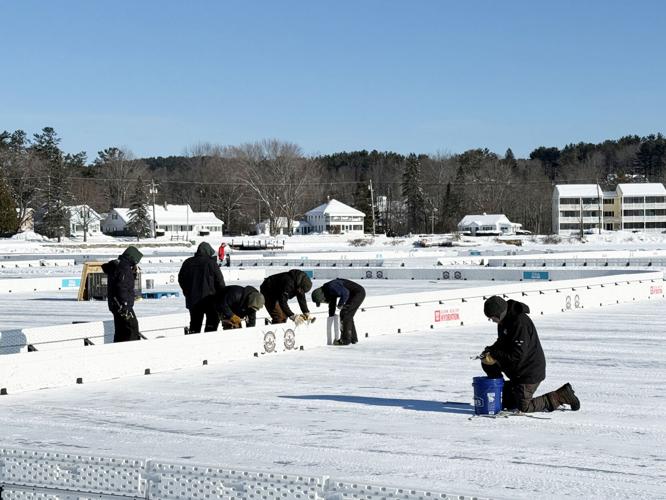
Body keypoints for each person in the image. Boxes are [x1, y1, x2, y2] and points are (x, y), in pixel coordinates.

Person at [480, 295, 580, 413]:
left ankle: (561, 395)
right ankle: (506, 389)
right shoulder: (504, 320)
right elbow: (503, 341)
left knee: (524, 407)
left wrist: (495, 353)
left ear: (499, 314)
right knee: (488, 363)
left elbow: (517, 355)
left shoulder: (520, 323)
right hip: (517, 369)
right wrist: (490, 349)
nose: (492, 321)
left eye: (492, 318)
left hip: (529, 371)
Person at [178, 242, 226, 333]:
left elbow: (181, 279)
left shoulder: (187, 263)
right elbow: (220, 282)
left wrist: (187, 292)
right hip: (210, 300)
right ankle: (207, 342)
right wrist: (222, 297)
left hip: (193, 300)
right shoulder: (211, 263)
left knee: (195, 325)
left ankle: (193, 343)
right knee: (212, 324)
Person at [101, 245, 143, 342]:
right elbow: (122, 287)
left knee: (121, 330)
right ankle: (130, 350)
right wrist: (125, 305)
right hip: (122, 306)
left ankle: (119, 348)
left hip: (116, 304)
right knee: (131, 328)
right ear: (132, 258)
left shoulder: (119, 266)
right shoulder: (124, 268)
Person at [311, 279, 366, 345]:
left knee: (345, 313)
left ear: (322, 296)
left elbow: (345, 293)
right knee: (346, 314)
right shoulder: (328, 290)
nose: (324, 302)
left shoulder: (331, 287)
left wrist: (340, 304)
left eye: (323, 301)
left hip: (358, 293)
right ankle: (353, 339)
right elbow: (332, 305)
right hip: (353, 294)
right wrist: (331, 316)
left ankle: (345, 340)